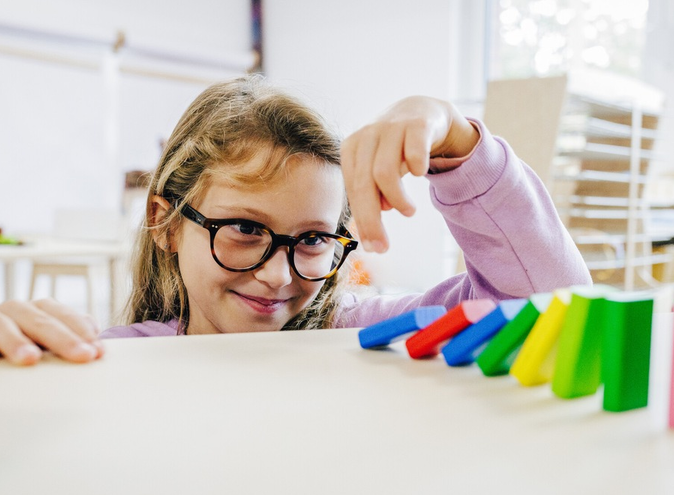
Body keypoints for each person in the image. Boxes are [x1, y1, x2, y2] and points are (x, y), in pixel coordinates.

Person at [0, 75, 590, 365]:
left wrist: (453, 137)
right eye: (246, 229)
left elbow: (550, 309)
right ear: (166, 223)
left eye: (310, 238)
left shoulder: (359, 336)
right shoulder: (115, 361)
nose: (280, 278)